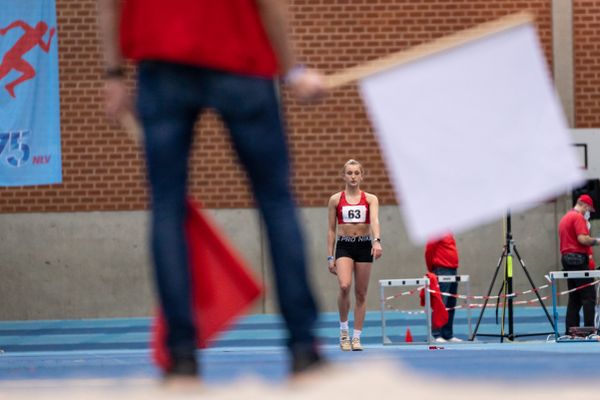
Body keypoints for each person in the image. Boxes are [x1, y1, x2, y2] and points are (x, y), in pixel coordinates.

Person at [98, 0, 326, 380]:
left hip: (162, 62)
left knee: (167, 207)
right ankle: (304, 349)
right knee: (275, 200)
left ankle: (182, 358)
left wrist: (113, 75)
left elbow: (108, 5)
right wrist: (293, 71)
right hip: (240, 58)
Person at [327, 159, 382, 351]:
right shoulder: (335, 200)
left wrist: (377, 240)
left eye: (356, 173)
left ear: (362, 176)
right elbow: (331, 230)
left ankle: (356, 337)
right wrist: (329, 256)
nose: (353, 176)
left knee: (360, 293)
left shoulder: (370, 199)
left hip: (363, 245)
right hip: (344, 246)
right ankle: (344, 332)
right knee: (344, 285)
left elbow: (374, 220)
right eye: (349, 173)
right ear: (343, 175)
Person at [558, 194, 600, 335]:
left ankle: (571, 330)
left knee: (575, 297)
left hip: (566, 259)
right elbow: (583, 239)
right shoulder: (578, 218)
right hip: (577, 259)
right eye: (589, 209)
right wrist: (598, 240)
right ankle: (589, 330)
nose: (588, 212)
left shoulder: (565, 217)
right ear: (585, 206)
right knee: (589, 297)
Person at [425, 233, 461, 342]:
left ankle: (447, 334)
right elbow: (429, 251)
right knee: (440, 304)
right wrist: (431, 268)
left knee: (451, 304)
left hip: (453, 269)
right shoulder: (436, 231)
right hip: (442, 269)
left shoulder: (449, 232)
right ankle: (436, 334)